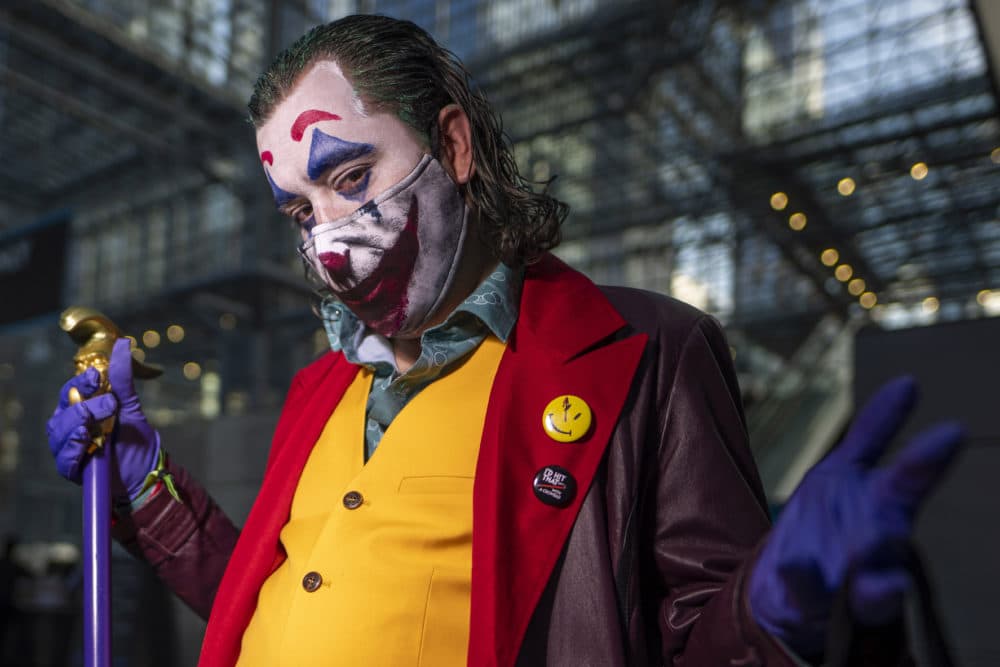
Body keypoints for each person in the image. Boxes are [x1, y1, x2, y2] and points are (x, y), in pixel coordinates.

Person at [46, 14, 964, 667]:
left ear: (452, 146)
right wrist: (142, 481)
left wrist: (778, 608)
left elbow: (698, 634)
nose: (325, 249)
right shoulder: (319, 387)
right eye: (299, 209)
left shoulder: (648, 352)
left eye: (353, 175)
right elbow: (261, 599)